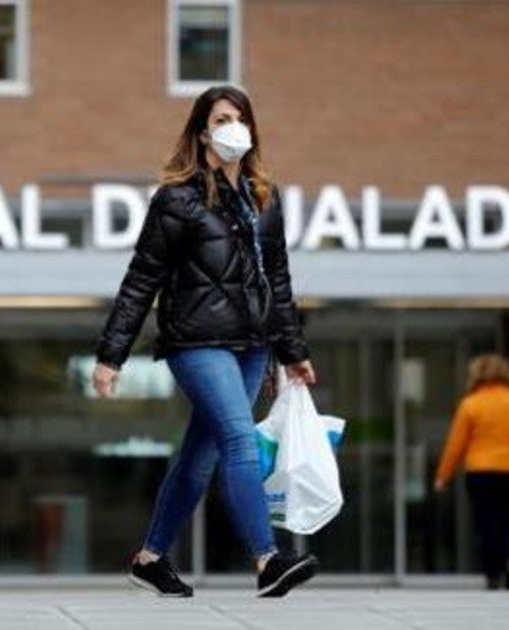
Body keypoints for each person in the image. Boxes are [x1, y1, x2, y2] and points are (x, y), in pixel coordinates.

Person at [92, 85, 319, 598]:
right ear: (202, 132)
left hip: (252, 343)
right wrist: (112, 355)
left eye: (239, 118)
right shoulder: (177, 199)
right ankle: (267, 560)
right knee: (239, 438)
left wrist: (292, 351)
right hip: (195, 343)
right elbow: (141, 279)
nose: (231, 127)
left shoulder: (264, 198)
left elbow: (277, 282)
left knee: (201, 455)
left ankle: (150, 559)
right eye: (220, 119)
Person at [433, 353, 509, 590]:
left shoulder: (471, 404)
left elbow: (456, 445)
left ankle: (492, 573)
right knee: (508, 518)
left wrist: (443, 476)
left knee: (487, 521)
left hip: (480, 471)